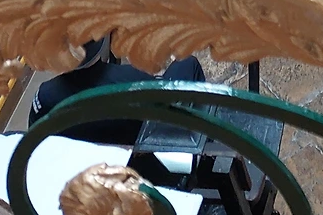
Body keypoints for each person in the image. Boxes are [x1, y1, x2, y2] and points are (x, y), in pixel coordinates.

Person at [30, 36, 205, 146]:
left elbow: (35, 139)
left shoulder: (44, 96)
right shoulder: (133, 79)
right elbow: (163, 106)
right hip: (142, 153)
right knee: (187, 63)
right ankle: (205, 138)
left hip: (85, 169)